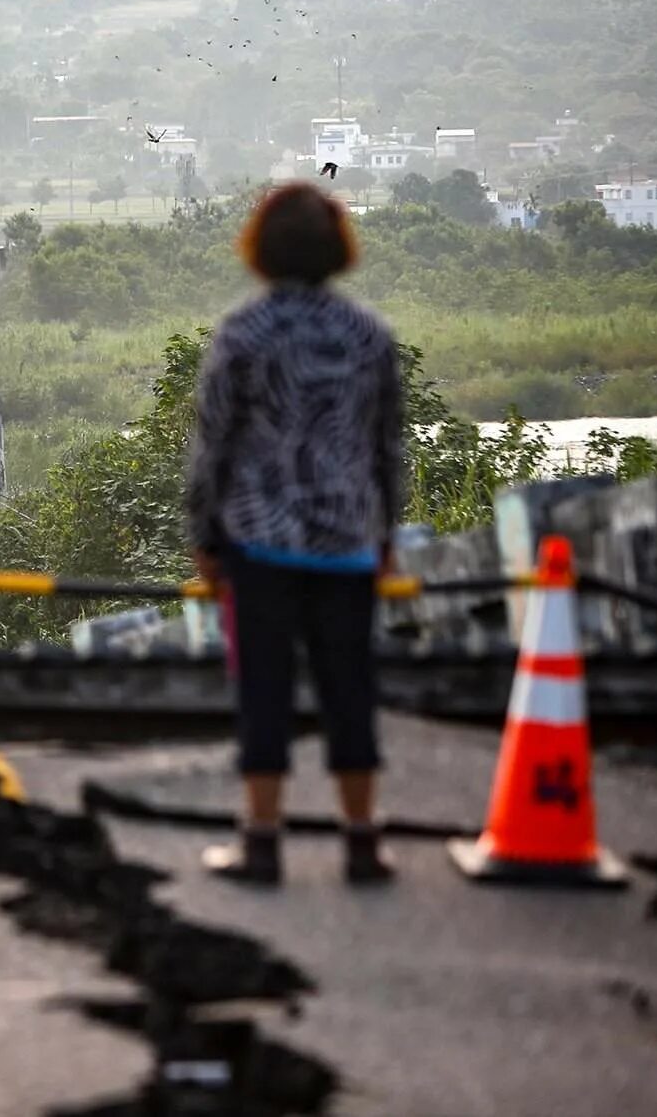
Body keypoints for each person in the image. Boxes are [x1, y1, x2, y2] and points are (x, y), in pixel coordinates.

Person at [183, 181, 403, 887]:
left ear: (261, 250)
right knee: (350, 686)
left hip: (261, 541)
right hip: (346, 542)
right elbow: (385, 449)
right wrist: (386, 532)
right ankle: (363, 840)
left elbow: (212, 446)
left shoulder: (243, 334)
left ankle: (262, 840)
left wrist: (206, 537)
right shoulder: (369, 335)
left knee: (265, 689)